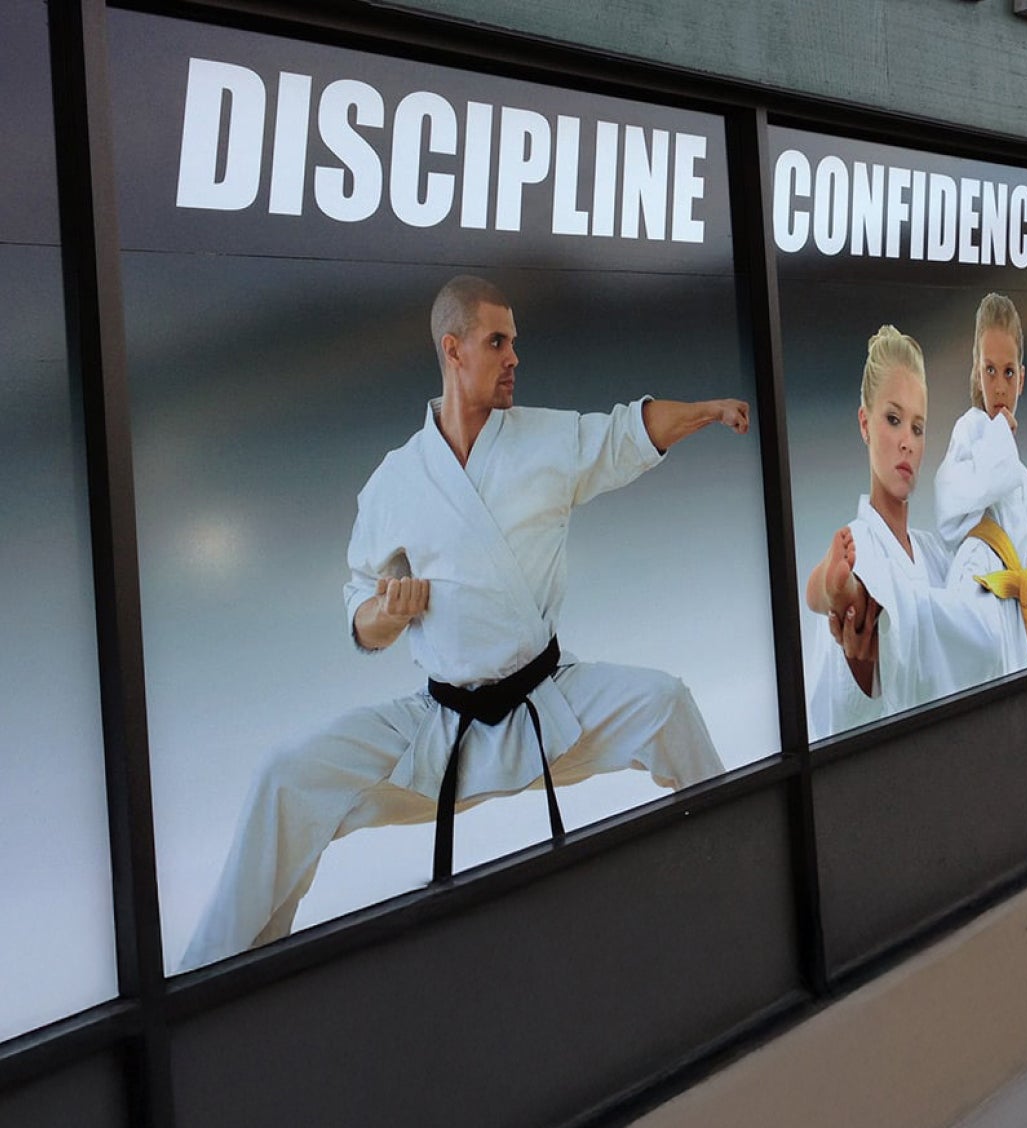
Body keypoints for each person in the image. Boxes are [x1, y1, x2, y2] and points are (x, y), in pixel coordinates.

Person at [180, 274, 749, 970]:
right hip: (438, 726)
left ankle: (743, 871)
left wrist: (710, 411)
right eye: (497, 341)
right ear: (454, 351)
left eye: (515, 341)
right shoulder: (396, 481)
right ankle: (216, 973)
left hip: (550, 703)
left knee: (667, 706)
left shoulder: (548, 441)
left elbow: (629, 431)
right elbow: (360, 620)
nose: (514, 357)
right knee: (287, 774)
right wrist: (386, 615)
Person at [804, 325, 997, 736]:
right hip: (882, 768)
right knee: (852, 590)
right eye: (893, 419)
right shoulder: (856, 543)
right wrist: (833, 591)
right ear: (865, 424)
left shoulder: (936, 553)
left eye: (917, 427)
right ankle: (848, 595)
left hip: (954, 750)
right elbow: (838, 716)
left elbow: (981, 631)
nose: (907, 442)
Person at [933, 292, 1027, 670]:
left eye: (1009, 373)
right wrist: (998, 438)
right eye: (990, 370)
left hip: (1013, 630)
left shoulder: (1019, 475)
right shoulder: (969, 432)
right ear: (976, 370)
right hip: (975, 606)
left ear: (1022, 379)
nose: (1000, 386)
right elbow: (948, 509)